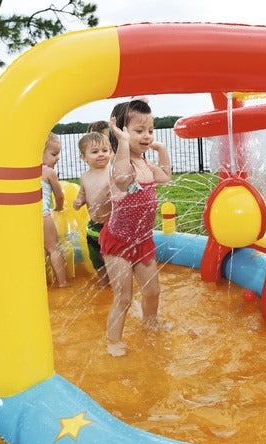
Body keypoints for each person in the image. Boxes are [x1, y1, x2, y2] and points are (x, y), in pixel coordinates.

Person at [99, 98, 172, 356]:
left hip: (142, 239)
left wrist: (161, 148)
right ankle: (113, 340)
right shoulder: (121, 164)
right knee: (124, 298)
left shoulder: (145, 164)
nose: (146, 136)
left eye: (150, 130)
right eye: (139, 131)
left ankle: (150, 322)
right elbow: (122, 180)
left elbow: (166, 176)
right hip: (118, 242)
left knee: (153, 291)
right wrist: (119, 142)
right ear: (121, 130)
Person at [73, 132, 112, 286]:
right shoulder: (85, 177)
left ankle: (117, 284)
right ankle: (104, 285)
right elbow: (83, 194)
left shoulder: (112, 172)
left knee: (113, 258)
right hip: (94, 226)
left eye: (105, 150)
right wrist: (79, 201)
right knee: (96, 259)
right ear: (83, 157)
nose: (101, 154)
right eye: (95, 152)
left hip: (112, 225)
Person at [42, 132, 68, 287]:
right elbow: (59, 196)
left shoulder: (26, 172)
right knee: (54, 248)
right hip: (43, 216)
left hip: (26, 217)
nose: (57, 158)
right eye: (54, 154)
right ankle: (62, 283)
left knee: (40, 251)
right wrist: (58, 207)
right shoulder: (49, 172)